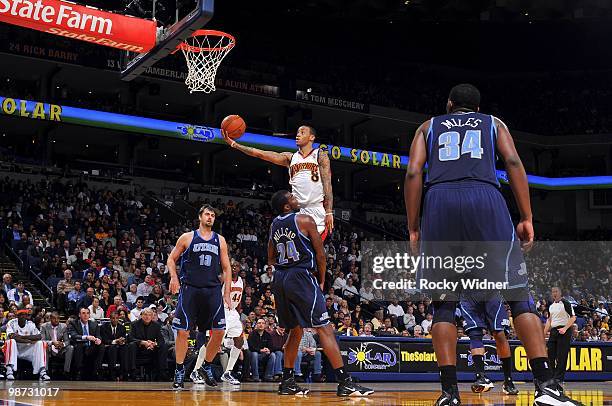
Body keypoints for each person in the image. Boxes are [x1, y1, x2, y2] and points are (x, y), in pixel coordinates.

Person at [404, 83, 581, 406]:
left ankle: (449, 394)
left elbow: (414, 172)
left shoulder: (427, 127)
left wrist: (414, 226)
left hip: (440, 200)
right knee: (517, 296)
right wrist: (527, 216)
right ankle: (546, 386)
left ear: (449, 104)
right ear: (477, 107)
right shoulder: (493, 123)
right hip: (485, 198)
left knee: (443, 304)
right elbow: (513, 162)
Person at [268, 190, 373, 396]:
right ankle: (345, 382)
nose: (296, 198)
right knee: (324, 328)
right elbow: (321, 254)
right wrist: (322, 280)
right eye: (292, 197)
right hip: (301, 277)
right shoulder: (305, 219)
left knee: (295, 330)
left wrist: (282, 272)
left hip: (280, 278)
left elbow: (270, 257)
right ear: (287, 206)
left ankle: (287, 381)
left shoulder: (274, 225)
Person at [222, 125, 334, 240]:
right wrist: (234, 144)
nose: (298, 135)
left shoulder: (320, 155)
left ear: (311, 137)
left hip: (316, 210)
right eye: (297, 132)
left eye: (302, 132)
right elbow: (260, 153)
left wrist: (329, 211)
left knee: (315, 254)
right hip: (296, 211)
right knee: (298, 254)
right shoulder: (290, 158)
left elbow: (327, 184)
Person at [167, 204, 231, 389]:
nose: (210, 217)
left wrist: (226, 292)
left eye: (213, 215)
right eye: (207, 214)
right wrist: (174, 277)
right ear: (200, 217)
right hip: (190, 289)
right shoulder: (187, 237)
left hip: (212, 290)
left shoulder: (220, 240)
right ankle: (179, 371)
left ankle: (207, 366)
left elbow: (226, 268)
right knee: (183, 332)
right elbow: (171, 259)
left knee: (219, 331)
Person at [192, 260, 245, 385]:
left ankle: (228, 372)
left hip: (232, 312)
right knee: (213, 343)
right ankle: (196, 370)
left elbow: (238, 299)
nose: (234, 268)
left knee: (239, 340)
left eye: (236, 266)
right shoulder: (223, 278)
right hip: (220, 311)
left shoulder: (241, 281)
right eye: (231, 266)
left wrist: (238, 312)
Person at [460, 291, 519, 395]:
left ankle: (508, 380)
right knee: (474, 335)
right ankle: (481, 377)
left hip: (490, 289)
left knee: (499, 334)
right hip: (468, 293)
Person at [4, 309, 51, 381]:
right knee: (11, 341)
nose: (23, 316)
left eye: (24, 315)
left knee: (41, 343)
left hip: (27, 351)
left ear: (26, 316)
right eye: (21, 314)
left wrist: (22, 337)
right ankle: (9, 371)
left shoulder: (30, 324)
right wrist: (28, 340)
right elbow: (12, 336)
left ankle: (42, 372)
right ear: (17, 316)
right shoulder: (12, 322)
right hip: (15, 350)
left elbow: (38, 336)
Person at [544, 287, 577, 386]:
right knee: (550, 355)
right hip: (554, 331)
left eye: (556, 291)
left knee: (561, 356)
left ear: (560, 293)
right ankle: (552, 377)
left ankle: (559, 379)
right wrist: (543, 332)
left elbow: (573, 317)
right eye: (553, 292)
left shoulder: (566, 303)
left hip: (564, 331)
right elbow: (549, 320)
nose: (554, 293)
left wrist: (565, 328)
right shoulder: (551, 305)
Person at [127, 308, 167, 381]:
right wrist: (143, 342)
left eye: (149, 315)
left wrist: (154, 344)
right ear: (141, 315)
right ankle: (133, 372)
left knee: (163, 346)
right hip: (139, 348)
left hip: (151, 349)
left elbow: (161, 340)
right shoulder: (134, 324)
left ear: (152, 316)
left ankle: (162, 373)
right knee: (132, 345)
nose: (147, 317)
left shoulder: (156, 325)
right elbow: (130, 338)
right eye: (145, 315)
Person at [67, 307, 105, 380]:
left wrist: (98, 340)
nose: (85, 315)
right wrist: (86, 337)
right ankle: (78, 371)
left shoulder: (94, 324)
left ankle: (97, 371)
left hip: (91, 346)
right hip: (80, 346)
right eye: (83, 313)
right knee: (79, 346)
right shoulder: (74, 323)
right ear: (79, 315)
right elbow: (73, 335)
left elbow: (98, 335)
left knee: (101, 346)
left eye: (87, 313)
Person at [40, 311, 73, 377]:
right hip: (49, 347)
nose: (56, 320)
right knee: (43, 347)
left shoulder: (63, 326)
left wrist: (62, 344)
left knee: (70, 347)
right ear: (50, 319)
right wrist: (52, 342)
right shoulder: (44, 326)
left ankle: (66, 371)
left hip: (60, 348)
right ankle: (45, 371)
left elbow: (67, 341)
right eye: (54, 318)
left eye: (58, 318)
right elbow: (42, 340)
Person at [101, 311, 129, 381]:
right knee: (113, 348)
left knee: (125, 347)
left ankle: (123, 373)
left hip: (119, 347)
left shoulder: (122, 327)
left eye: (117, 318)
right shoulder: (103, 327)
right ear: (110, 319)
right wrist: (115, 341)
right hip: (108, 348)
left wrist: (122, 341)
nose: (115, 320)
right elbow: (104, 340)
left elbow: (124, 338)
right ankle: (112, 374)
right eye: (113, 318)